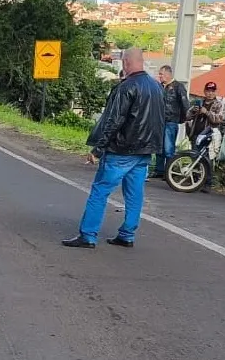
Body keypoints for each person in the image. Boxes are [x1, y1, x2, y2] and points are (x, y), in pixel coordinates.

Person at [63, 48, 164, 249]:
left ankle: (88, 235)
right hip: (145, 151)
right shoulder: (156, 87)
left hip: (121, 150)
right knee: (134, 195)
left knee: (100, 191)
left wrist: (98, 149)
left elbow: (114, 121)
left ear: (125, 62)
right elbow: (162, 118)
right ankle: (127, 234)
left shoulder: (126, 87)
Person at [152, 65, 190, 180]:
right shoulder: (160, 87)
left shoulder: (178, 87)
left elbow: (185, 104)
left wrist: (185, 119)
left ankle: (168, 172)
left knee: (168, 149)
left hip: (171, 121)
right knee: (159, 147)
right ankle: (159, 170)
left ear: (168, 74)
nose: (160, 76)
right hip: (160, 121)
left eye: (161, 74)